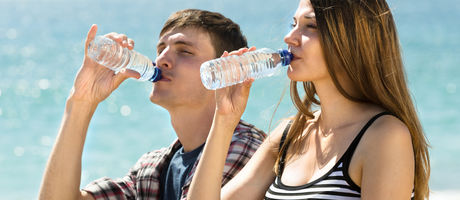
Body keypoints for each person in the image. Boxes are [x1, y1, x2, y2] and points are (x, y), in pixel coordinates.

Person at [187, 0, 430, 199]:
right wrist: (224, 120)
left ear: (353, 38)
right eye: (293, 24)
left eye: (310, 26)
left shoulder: (384, 135)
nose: (289, 37)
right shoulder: (290, 135)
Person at [39, 9, 266, 200]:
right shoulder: (153, 168)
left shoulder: (246, 149)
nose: (161, 60)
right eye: (160, 50)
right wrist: (80, 103)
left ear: (225, 72)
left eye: (184, 51)